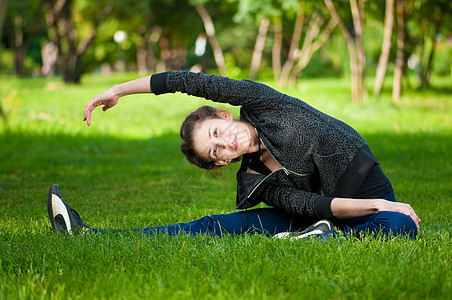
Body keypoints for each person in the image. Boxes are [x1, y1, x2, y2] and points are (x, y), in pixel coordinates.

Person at [47, 71, 420, 240]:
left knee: (402, 225)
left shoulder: (265, 102)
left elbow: (186, 82)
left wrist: (119, 90)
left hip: (365, 188)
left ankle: (323, 238)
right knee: (212, 226)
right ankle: (90, 234)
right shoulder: (255, 183)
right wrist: (368, 210)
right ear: (221, 163)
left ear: (223, 115)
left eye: (216, 133)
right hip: (322, 215)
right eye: (215, 152)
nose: (225, 145)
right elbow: (317, 207)